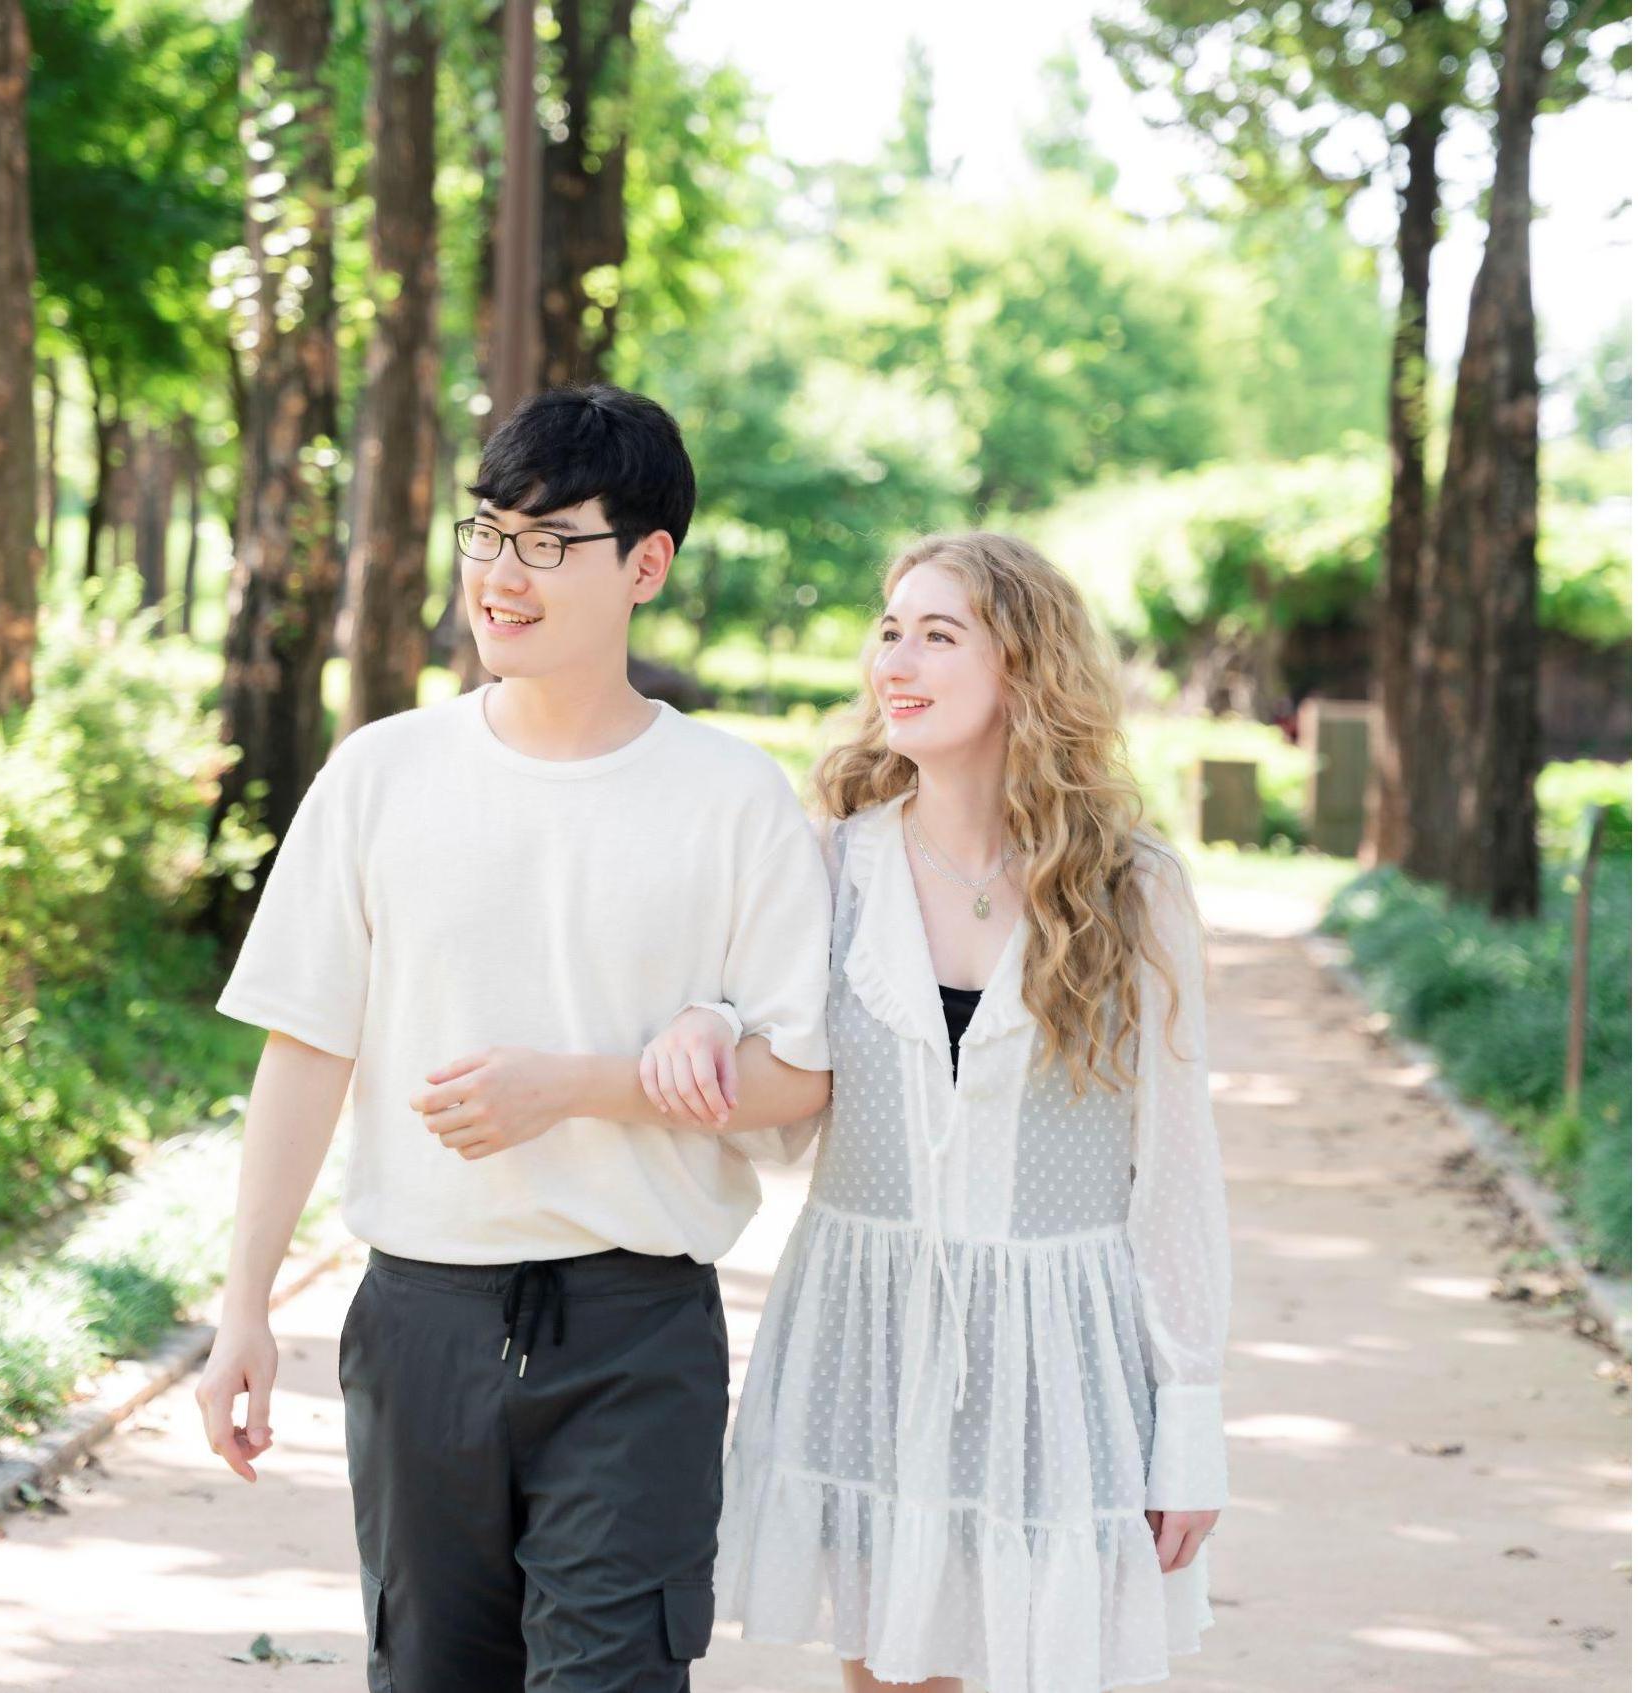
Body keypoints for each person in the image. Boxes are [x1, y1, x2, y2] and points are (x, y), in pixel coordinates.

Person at [196, 383, 834, 1692]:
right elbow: (306, 1049)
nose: (501, 575)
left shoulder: (730, 797)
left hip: (635, 1331)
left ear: (646, 565)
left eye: (549, 543)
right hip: (419, 1321)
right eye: (488, 534)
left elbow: (796, 1077)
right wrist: (243, 1305)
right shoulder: (380, 774)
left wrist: (584, 1087)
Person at [643, 531, 1233, 1693]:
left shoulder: (1134, 888)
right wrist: (708, 1019)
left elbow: (1174, 1171)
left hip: (1062, 1354)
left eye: (937, 634)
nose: (895, 661)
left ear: (1024, 664)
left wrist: (1191, 1419)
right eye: (889, 630)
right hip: (866, 1336)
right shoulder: (829, 865)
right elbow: (776, 1103)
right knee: (892, 1676)